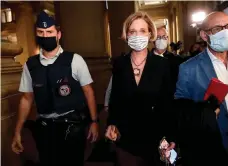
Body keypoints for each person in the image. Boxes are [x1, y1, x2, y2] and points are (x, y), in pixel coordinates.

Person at [11, 11, 99, 166]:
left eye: (49, 32)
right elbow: (26, 99)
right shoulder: (31, 65)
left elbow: (88, 91)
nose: (45, 36)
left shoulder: (75, 60)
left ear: (58, 34)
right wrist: (17, 131)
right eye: (41, 32)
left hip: (72, 127)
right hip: (45, 129)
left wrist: (94, 121)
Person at [175, 12, 228, 163]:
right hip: (212, 150)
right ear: (204, 36)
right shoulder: (188, 68)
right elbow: (180, 110)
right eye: (218, 29)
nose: (226, 32)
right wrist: (205, 111)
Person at [104, 11, 175, 166]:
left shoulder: (161, 64)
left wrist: (171, 136)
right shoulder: (120, 64)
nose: (137, 35)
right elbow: (115, 98)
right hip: (126, 137)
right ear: (127, 35)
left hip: (155, 138)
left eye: (142, 31)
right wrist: (112, 123)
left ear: (150, 34)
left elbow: (168, 103)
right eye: (132, 31)